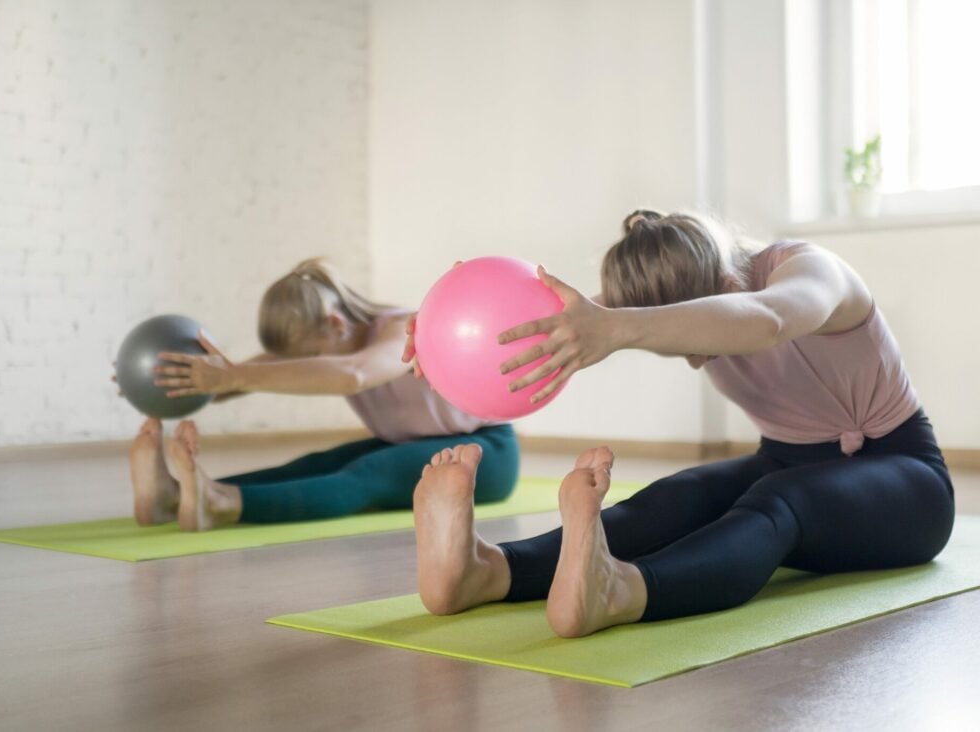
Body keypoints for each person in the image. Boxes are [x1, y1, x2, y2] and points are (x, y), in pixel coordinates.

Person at [407, 209, 954, 637]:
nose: (694, 358)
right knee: (673, 499)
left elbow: (768, 320)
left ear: (723, 282)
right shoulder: (691, 290)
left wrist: (621, 329)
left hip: (906, 483)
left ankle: (624, 591)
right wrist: (447, 337)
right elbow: (540, 329)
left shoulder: (813, 272)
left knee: (782, 501)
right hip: (785, 459)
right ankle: (486, 572)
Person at [128, 258, 519, 531]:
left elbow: (355, 374)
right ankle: (174, 498)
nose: (305, 366)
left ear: (335, 323)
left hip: (484, 453)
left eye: (310, 356)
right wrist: (164, 381)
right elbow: (237, 380)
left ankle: (222, 504)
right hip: (406, 444)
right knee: (312, 464)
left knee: (368, 474)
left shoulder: (402, 327)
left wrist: (230, 376)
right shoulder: (329, 335)